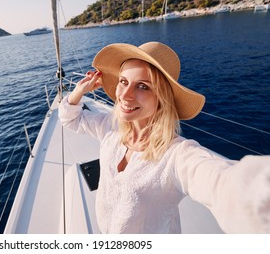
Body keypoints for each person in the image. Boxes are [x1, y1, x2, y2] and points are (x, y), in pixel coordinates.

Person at [58, 41, 270, 234]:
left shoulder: (176, 155)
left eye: (143, 86)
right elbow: (70, 119)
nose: (125, 94)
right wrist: (80, 90)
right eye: (123, 81)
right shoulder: (110, 128)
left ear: (162, 98)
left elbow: (222, 183)